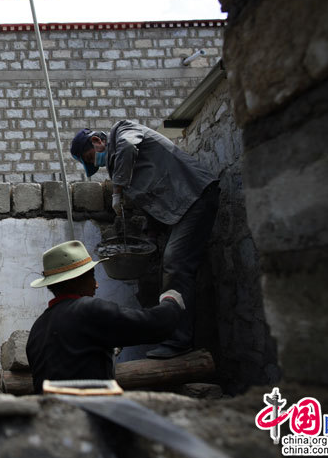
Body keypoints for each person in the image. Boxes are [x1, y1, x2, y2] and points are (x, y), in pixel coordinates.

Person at [69, 122, 219, 359]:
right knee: (169, 267)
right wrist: (150, 233)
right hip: (181, 207)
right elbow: (151, 197)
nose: (95, 162)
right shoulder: (121, 164)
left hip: (194, 195)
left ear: (97, 142)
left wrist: (117, 192)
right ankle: (176, 337)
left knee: (176, 264)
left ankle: (179, 343)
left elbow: (129, 147)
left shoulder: (123, 132)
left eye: (90, 156)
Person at [26, 240, 185, 393]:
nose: (96, 284)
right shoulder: (87, 310)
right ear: (75, 280)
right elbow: (155, 325)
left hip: (48, 417)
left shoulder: (37, 329)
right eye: (92, 277)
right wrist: (171, 302)